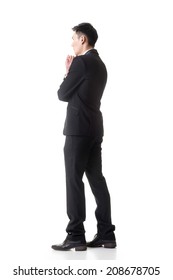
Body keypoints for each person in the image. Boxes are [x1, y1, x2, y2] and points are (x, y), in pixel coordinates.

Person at [52, 23, 116, 251]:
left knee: (73, 181)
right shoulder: (101, 65)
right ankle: (107, 234)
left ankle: (76, 235)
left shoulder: (81, 62)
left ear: (83, 39)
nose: (71, 42)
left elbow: (62, 94)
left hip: (78, 130)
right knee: (97, 180)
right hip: (94, 130)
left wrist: (68, 71)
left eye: (73, 38)